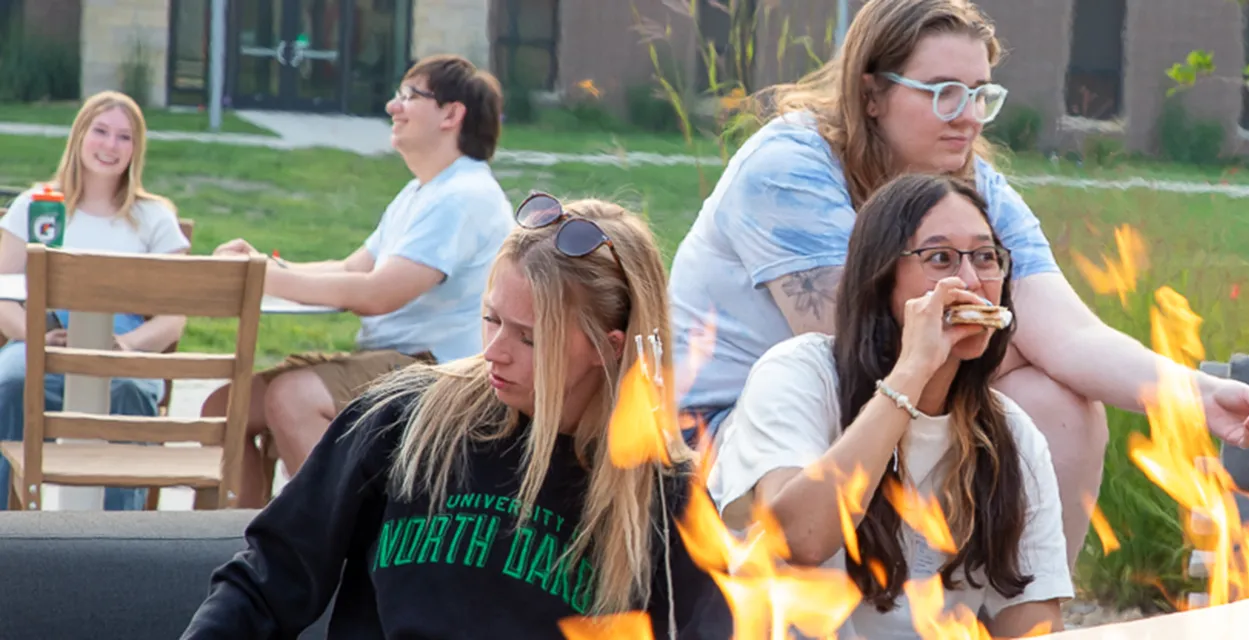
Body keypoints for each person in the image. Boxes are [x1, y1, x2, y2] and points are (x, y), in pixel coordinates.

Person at [667, 0, 1249, 565]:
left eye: (980, 95)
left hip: (883, 407)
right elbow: (866, 351)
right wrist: (1007, 337)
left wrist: (1200, 396)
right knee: (1016, 375)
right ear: (872, 92)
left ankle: (1020, 610)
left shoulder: (971, 185)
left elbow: (1069, 337)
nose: (967, 119)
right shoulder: (789, 170)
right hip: (734, 433)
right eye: (942, 92)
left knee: (1063, 404)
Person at [181, 194, 733, 639]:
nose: (494, 350)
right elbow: (267, 579)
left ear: (608, 347)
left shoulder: (659, 492)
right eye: (491, 319)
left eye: (529, 338)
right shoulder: (402, 422)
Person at [706, 174, 1071, 638]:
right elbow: (802, 538)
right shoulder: (800, 376)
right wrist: (912, 372)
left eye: (985, 257)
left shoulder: (1011, 436)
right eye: (940, 258)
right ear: (881, 278)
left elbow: (1034, 626)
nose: (970, 281)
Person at [203, 53, 514, 504]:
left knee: (293, 397)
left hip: (435, 371)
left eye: (410, 95)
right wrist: (264, 265)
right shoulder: (423, 191)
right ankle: (254, 540)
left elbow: (376, 294)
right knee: (223, 410)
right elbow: (353, 268)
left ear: (451, 114)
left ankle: (333, 545)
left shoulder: (464, 196)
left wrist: (264, 276)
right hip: (392, 361)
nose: (393, 106)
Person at [0, 91, 192, 511]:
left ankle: (122, 535)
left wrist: (129, 345)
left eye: (124, 137)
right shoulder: (37, 205)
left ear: (136, 149)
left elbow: (173, 317)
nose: (110, 145)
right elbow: (2, 293)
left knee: (131, 389)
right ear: (79, 135)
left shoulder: (154, 217)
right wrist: (41, 338)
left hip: (122, 347)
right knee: (9, 380)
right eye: (100, 131)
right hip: (46, 339)